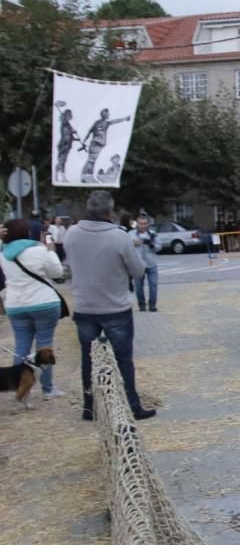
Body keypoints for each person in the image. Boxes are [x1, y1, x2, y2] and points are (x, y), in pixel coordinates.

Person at [64, 190, 156, 421]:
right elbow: (137, 270)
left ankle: (89, 406)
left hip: (85, 306)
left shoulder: (72, 234)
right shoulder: (119, 236)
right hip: (115, 307)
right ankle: (132, 404)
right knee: (123, 359)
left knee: (88, 359)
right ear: (109, 210)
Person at [0, 218, 65, 399]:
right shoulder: (39, 250)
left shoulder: (3, 254)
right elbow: (57, 272)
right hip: (44, 303)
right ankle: (47, 389)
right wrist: (51, 248)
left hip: (15, 305)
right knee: (45, 345)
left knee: (21, 346)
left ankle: (19, 388)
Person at [81, 109, 130, 182]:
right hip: (96, 144)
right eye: (107, 114)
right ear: (104, 115)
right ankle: (86, 176)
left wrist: (124, 119)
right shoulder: (99, 123)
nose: (109, 115)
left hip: (98, 145)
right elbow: (89, 132)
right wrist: (84, 141)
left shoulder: (104, 123)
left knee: (92, 161)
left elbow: (114, 121)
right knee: (91, 160)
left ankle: (87, 176)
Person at [130, 216, 159, 312]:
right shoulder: (131, 234)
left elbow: (159, 247)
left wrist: (152, 244)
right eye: (141, 224)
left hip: (151, 263)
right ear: (137, 224)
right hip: (138, 264)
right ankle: (142, 305)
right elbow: (125, 245)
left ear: (148, 224)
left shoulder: (153, 234)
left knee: (153, 285)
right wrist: (133, 242)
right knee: (138, 287)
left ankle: (152, 305)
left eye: (145, 223)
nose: (143, 226)